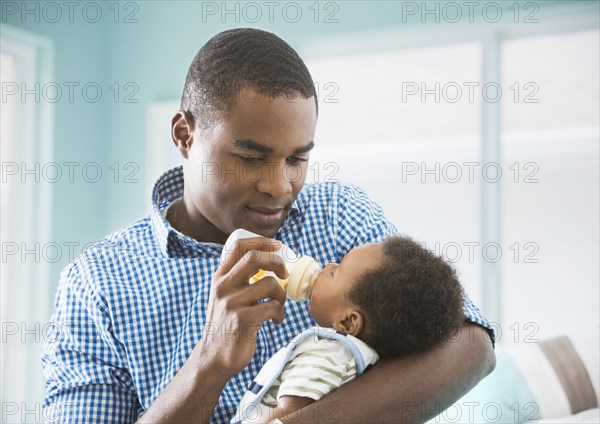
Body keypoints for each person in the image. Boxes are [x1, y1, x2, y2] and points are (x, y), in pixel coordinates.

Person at [41, 28, 496, 424]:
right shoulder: (97, 284)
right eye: (251, 157)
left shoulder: (337, 215)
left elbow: (470, 346)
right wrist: (210, 363)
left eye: (298, 158)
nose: (280, 187)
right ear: (184, 135)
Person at [233, 234, 466, 424]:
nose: (328, 265)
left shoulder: (327, 353)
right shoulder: (359, 359)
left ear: (347, 323)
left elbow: (288, 414)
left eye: (336, 272)